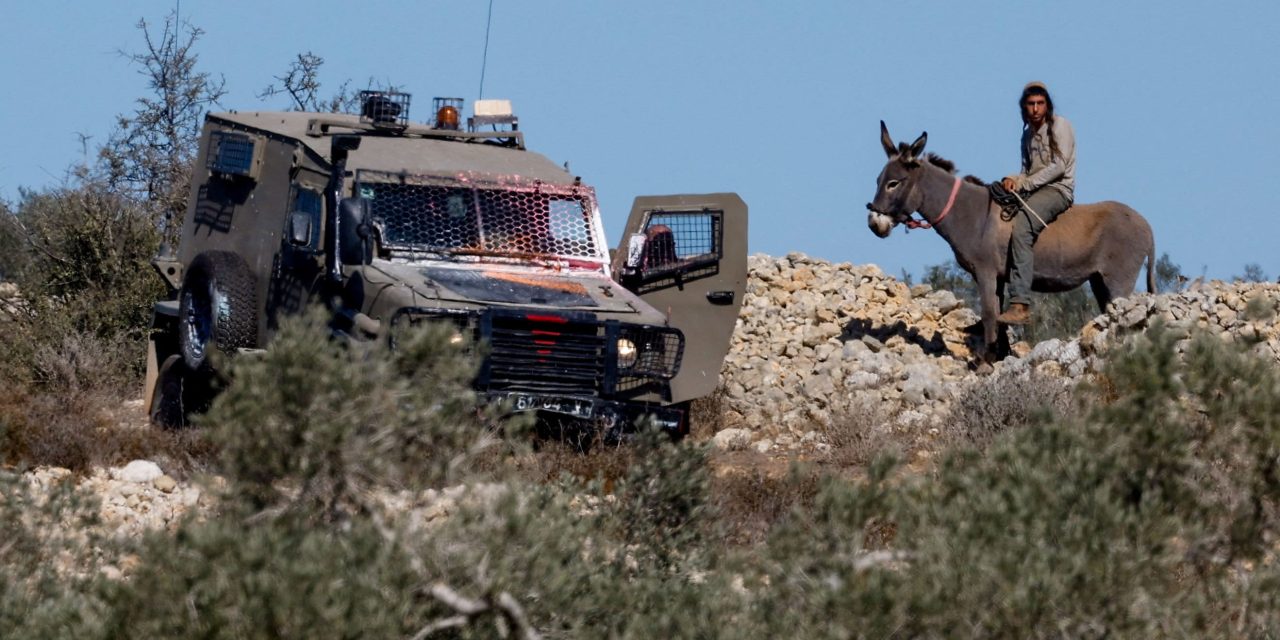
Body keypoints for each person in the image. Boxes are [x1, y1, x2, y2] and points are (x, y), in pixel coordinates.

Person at [996, 81, 1076, 325]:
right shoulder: (1027, 135)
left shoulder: (1060, 125)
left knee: (1021, 229)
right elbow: (1026, 171)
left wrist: (1026, 184)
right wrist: (1013, 179)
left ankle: (1020, 303)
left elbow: (1059, 166)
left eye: (1040, 103)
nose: (1035, 109)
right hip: (1034, 188)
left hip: (1057, 189)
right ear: (1024, 108)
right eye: (1031, 104)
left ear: (1047, 105)